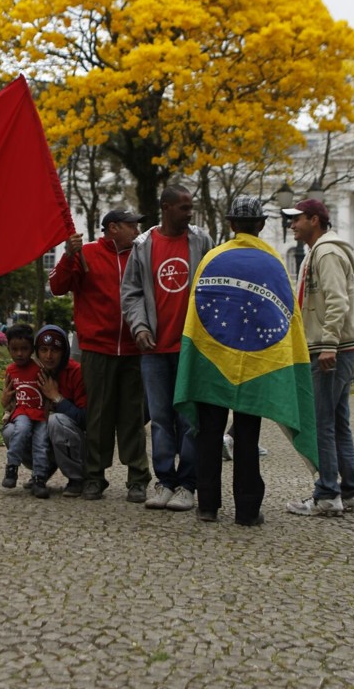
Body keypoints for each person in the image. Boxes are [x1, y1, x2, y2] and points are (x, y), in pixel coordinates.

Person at [174, 196, 317, 526]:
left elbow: (195, 313)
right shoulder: (274, 263)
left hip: (211, 361)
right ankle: (248, 510)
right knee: (247, 439)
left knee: (209, 435)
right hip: (257, 364)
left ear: (230, 224)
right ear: (262, 225)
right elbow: (286, 319)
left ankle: (208, 506)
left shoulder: (212, 258)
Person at [49, 209, 151, 503]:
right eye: (131, 225)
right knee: (97, 415)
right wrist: (69, 256)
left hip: (134, 348)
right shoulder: (87, 253)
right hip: (96, 349)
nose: (136, 230)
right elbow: (57, 286)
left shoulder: (141, 254)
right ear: (113, 228)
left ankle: (138, 478)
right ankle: (94, 476)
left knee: (133, 416)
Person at [121, 184, 213, 511]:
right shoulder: (143, 246)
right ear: (165, 207)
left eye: (191, 208)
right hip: (154, 350)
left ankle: (188, 484)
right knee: (159, 418)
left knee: (188, 419)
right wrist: (140, 327)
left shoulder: (201, 241)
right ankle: (164, 481)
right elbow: (130, 292)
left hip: (191, 348)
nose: (190, 214)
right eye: (184, 208)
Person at [282, 199, 354, 516]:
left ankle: (327, 494)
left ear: (314, 220)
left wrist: (329, 343)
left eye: (297, 219)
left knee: (322, 423)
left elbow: (337, 300)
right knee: (337, 422)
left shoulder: (327, 252)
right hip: (336, 346)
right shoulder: (319, 250)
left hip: (330, 348)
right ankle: (352, 492)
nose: (292, 225)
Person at [35, 325, 87, 496]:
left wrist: (57, 398)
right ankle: (41, 472)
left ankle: (77, 477)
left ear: (64, 352)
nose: (48, 356)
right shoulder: (34, 373)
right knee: (12, 429)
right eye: (43, 350)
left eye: (55, 350)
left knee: (56, 421)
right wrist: (7, 405)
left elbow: (85, 419)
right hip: (45, 437)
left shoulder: (76, 372)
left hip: (77, 441)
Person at [0, 324, 50, 499]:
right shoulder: (10, 371)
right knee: (20, 430)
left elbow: (49, 391)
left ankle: (39, 479)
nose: (19, 354)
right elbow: (5, 398)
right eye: (14, 349)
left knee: (41, 444)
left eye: (24, 349)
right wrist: (5, 404)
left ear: (32, 349)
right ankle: (12, 468)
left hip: (40, 414)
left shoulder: (40, 368)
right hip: (21, 411)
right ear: (8, 349)